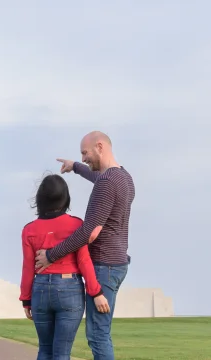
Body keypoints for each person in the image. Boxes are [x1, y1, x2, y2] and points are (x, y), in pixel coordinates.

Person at [34, 131, 135, 360]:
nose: (84, 157)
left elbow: (85, 234)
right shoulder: (123, 177)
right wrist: (75, 166)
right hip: (118, 263)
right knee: (101, 332)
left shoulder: (107, 183)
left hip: (103, 265)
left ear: (100, 146)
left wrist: (51, 255)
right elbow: (97, 179)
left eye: (85, 153)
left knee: (98, 335)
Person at [20, 173, 110, 360]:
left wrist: (26, 299)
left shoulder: (29, 229)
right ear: (65, 198)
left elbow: (28, 267)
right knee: (62, 353)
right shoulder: (76, 224)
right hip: (69, 290)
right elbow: (84, 261)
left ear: (40, 199)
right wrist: (96, 292)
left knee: (44, 349)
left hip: (41, 290)